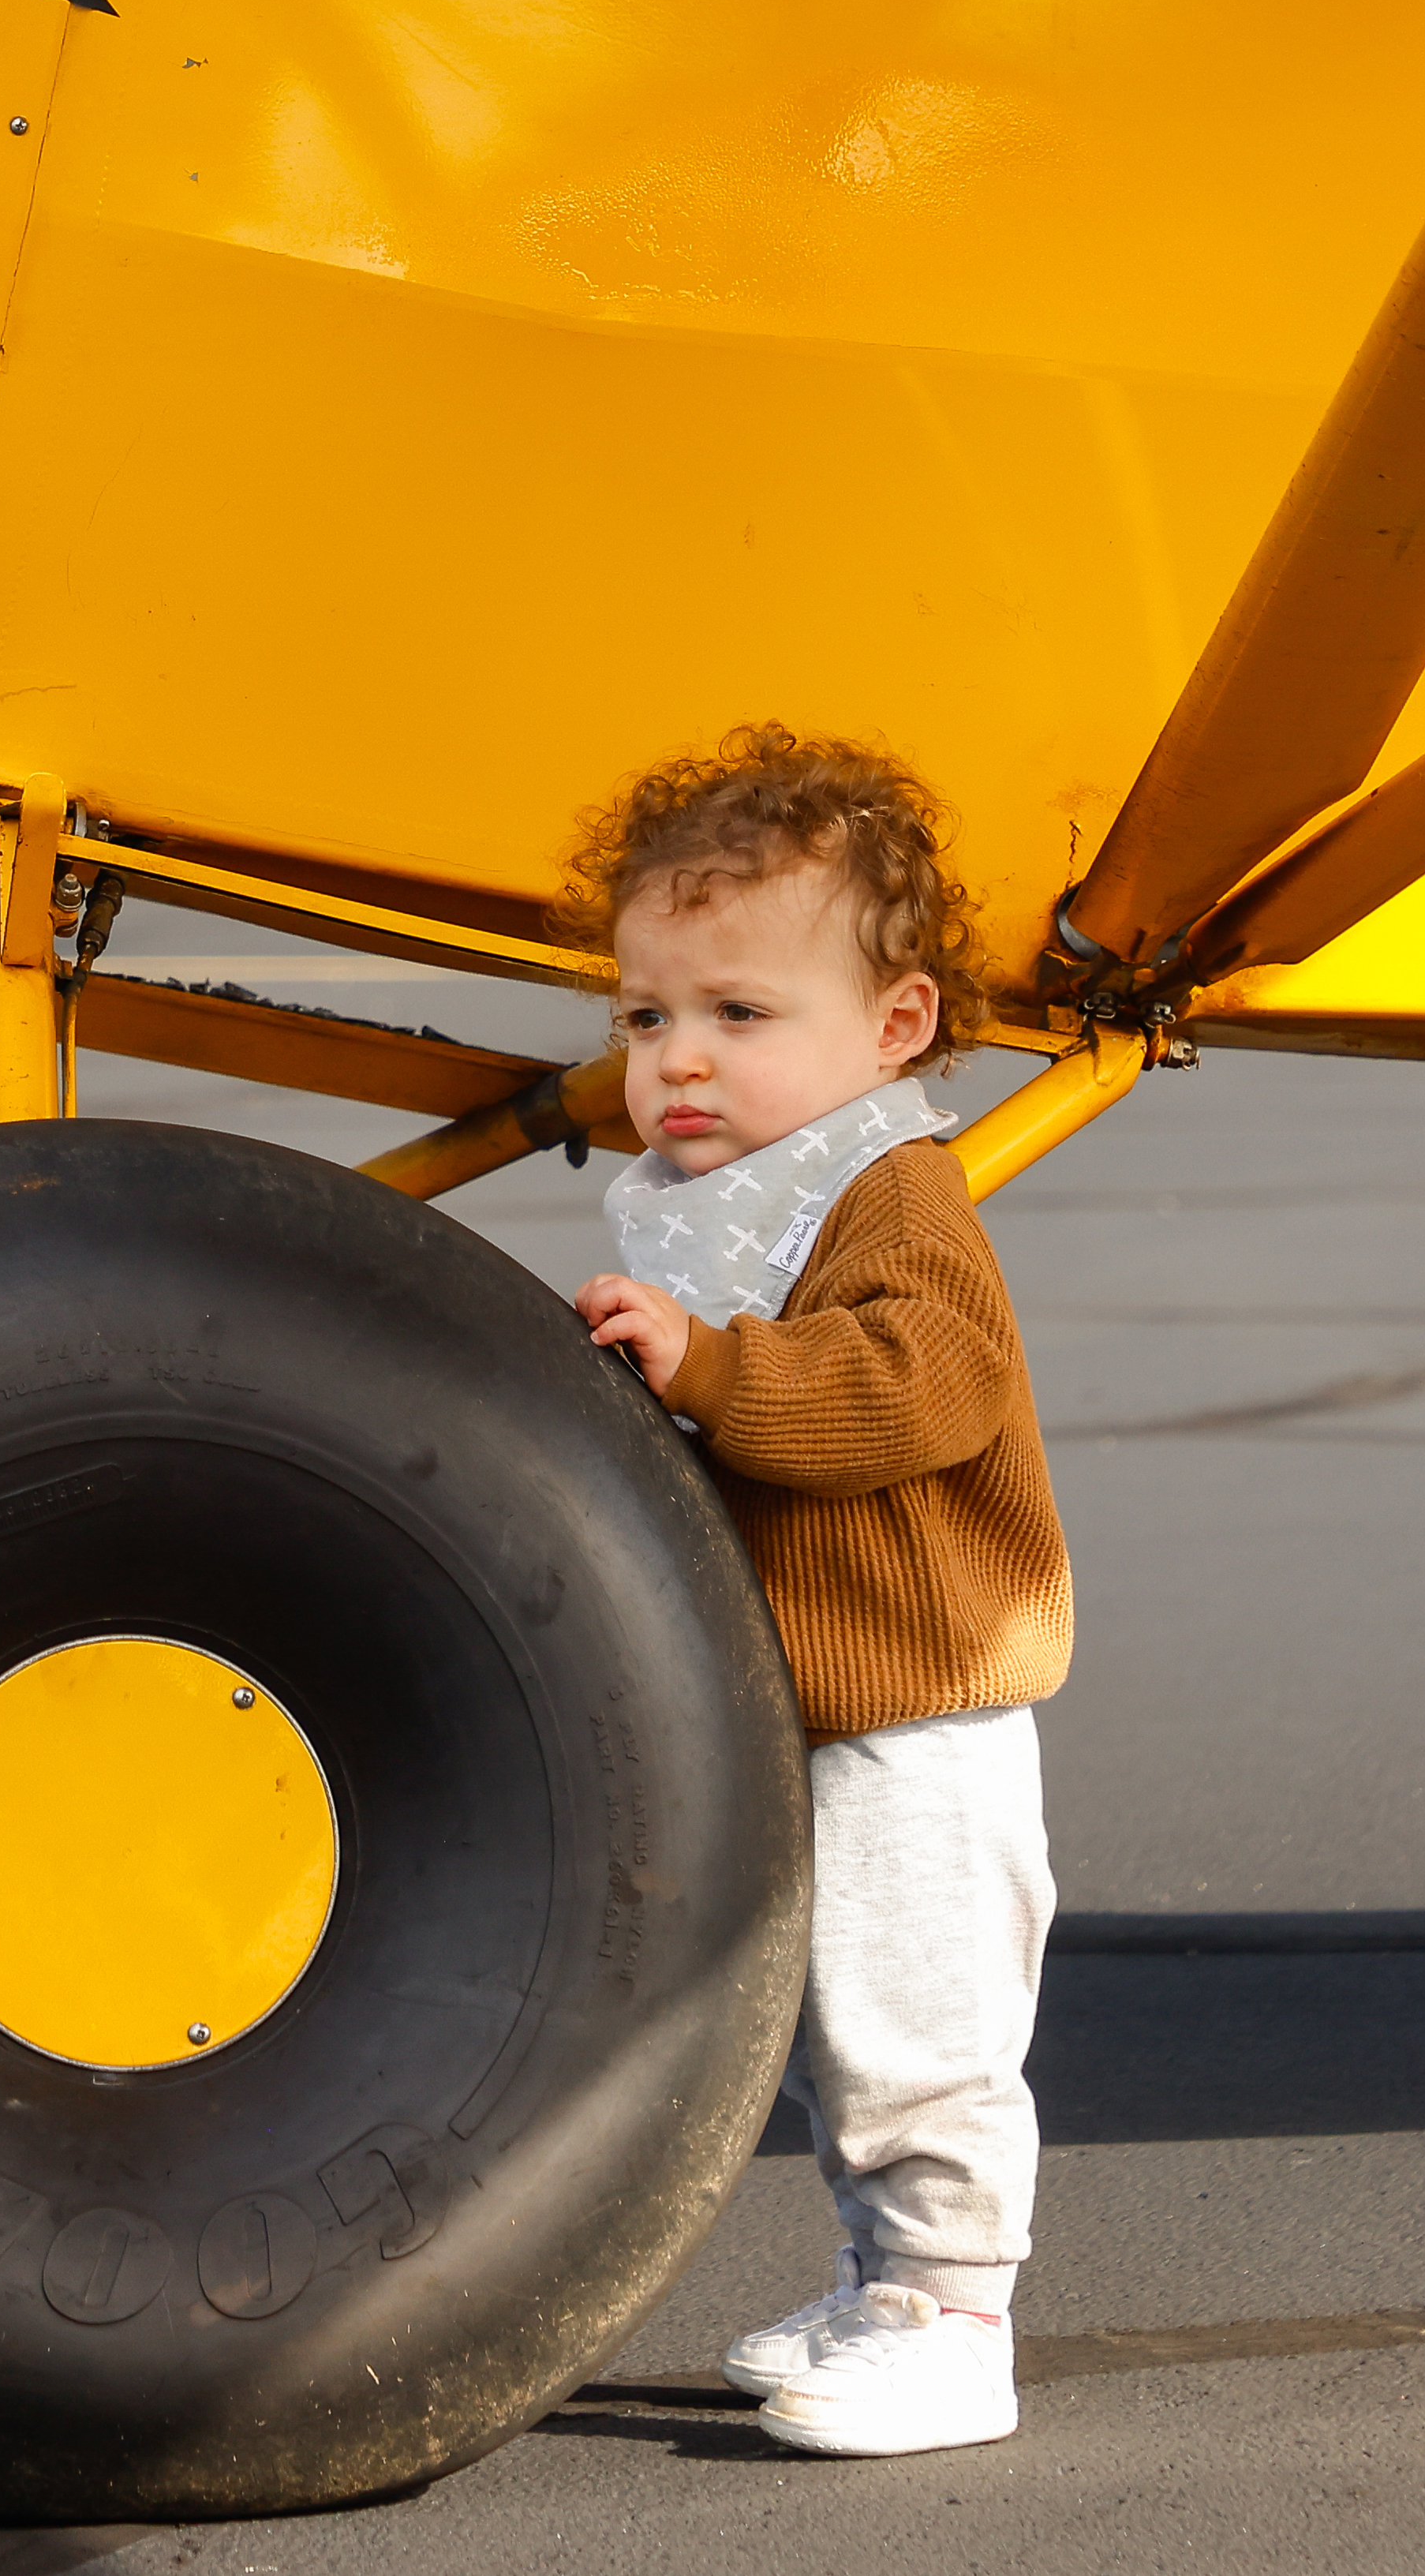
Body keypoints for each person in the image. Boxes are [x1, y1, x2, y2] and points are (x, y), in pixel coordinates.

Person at [564, 724, 1068, 2460]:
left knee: (919, 2016)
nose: (676, 1063)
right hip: (813, 1692)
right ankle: (883, 2284)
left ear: (897, 1027)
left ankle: (952, 2317)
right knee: (835, 2022)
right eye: (645, 1018)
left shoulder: (890, 1193)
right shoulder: (724, 1192)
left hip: (917, 1696)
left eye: (737, 1016)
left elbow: (924, 1384)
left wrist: (711, 1365)